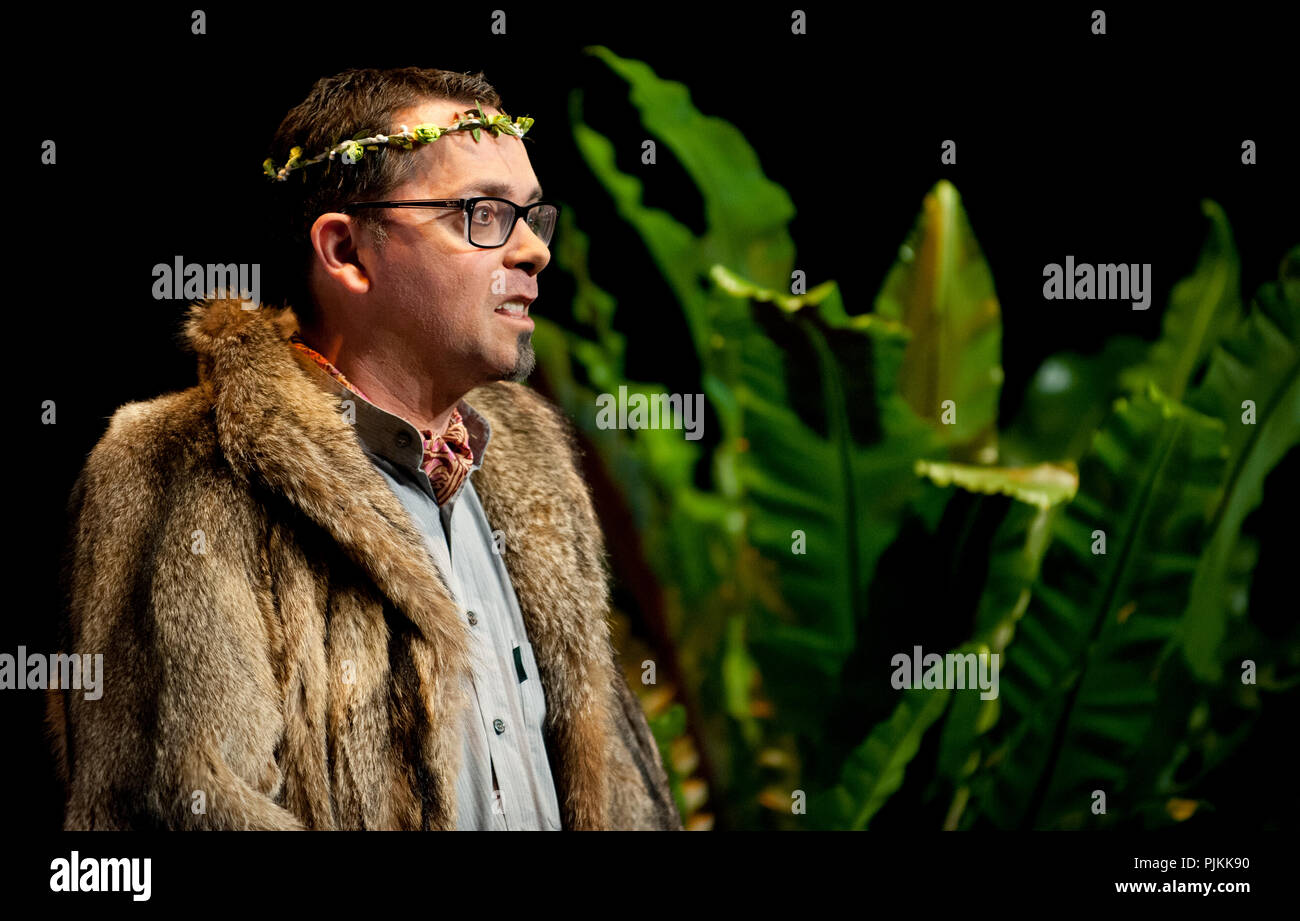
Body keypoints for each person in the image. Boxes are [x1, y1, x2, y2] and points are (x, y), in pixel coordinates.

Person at [46, 66, 682, 831]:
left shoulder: (529, 470)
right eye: (482, 214)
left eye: (532, 218)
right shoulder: (182, 472)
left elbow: (613, 792)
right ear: (346, 250)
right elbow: (178, 810)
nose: (532, 252)